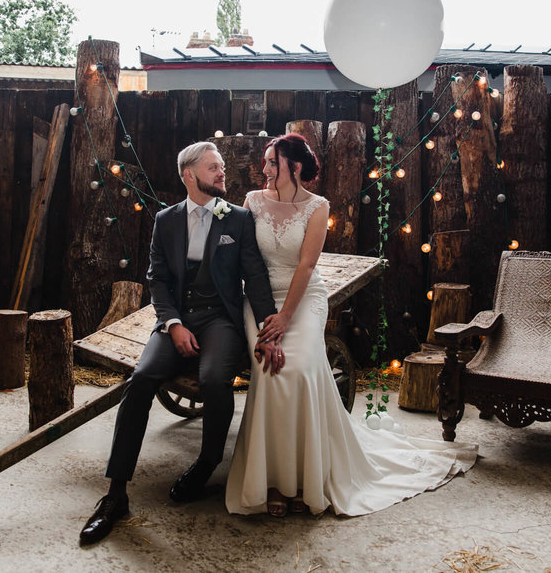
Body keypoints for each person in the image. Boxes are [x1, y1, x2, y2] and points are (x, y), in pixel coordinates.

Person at [225, 133, 478, 517]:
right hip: (260, 300)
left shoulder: (317, 206)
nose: (264, 169)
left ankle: (304, 479)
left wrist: (287, 319)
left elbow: (307, 267)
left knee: (301, 368)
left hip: (303, 299)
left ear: (293, 167)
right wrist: (267, 321)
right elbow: (249, 264)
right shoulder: (252, 202)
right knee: (270, 371)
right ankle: (272, 480)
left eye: (272, 162)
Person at [81, 141, 284, 545]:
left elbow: (256, 277)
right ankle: (116, 494)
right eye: (214, 168)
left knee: (213, 381)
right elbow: (157, 277)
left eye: (222, 167)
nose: (222, 173)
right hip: (177, 320)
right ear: (189, 175)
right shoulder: (166, 219)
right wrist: (172, 323)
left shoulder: (238, 219)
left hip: (220, 320)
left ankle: (206, 463)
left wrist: (268, 327)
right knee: (140, 380)